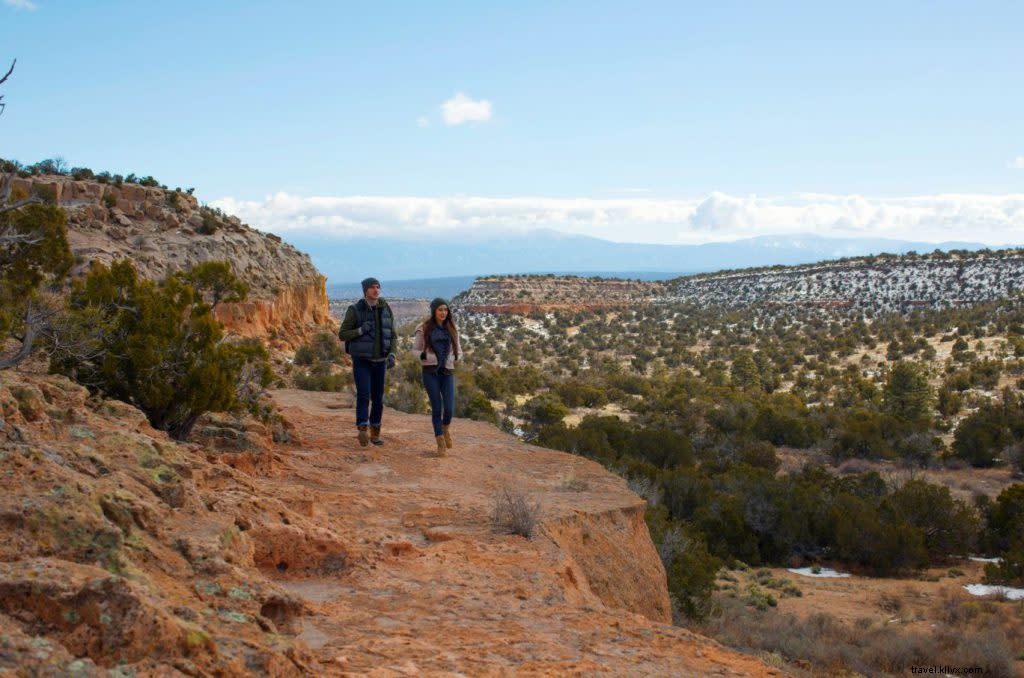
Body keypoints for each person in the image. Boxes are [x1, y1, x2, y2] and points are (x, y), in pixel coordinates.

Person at [338, 277, 396, 447]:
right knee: (364, 394)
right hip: (362, 360)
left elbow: (393, 335)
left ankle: (375, 432)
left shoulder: (385, 308)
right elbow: (342, 334)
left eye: (378, 287)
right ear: (365, 291)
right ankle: (362, 428)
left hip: (380, 361)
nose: (376, 290)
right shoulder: (355, 310)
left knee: (378, 398)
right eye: (372, 287)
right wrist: (361, 330)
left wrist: (392, 353)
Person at [413, 298, 460, 456]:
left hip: (447, 372)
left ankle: (445, 428)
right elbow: (415, 350)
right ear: (434, 311)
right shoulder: (424, 328)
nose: (443, 313)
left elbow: (458, 350)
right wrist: (423, 356)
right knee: (437, 408)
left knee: (448, 408)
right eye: (440, 310)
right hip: (430, 372)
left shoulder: (452, 328)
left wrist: (455, 358)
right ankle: (440, 443)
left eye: (446, 310)